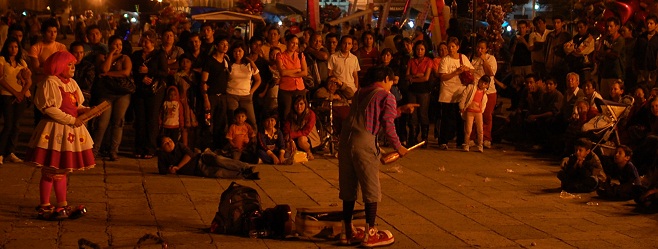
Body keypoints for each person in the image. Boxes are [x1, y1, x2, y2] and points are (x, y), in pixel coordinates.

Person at [338, 66, 418, 247]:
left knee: (348, 187)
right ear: (387, 79)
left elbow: (375, 115)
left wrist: (400, 110)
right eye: (391, 82)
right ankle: (370, 233)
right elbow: (387, 124)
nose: (391, 86)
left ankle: (347, 231)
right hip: (365, 143)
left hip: (345, 142)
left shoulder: (360, 93)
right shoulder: (386, 95)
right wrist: (399, 147)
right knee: (371, 188)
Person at [26, 51, 95, 220]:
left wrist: (87, 111)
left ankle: (62, 203)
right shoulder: (50, 82)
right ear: (60, 66)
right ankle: (44, 205)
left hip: (70, 130)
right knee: (50, 169)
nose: (73, 68)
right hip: (55, 130)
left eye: (73, 65)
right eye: (69, 65)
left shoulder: (71, 83)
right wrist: (71, 120)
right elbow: (49, 108)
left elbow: (77, 105)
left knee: (62, 170)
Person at [92, 35, 132, 161]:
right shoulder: (102, 57)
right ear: (109, 45)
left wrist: (107, 74)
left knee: (118, 122)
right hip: (106, 93)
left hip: (121, 94)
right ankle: (95, 150)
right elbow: (103, 68)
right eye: (115, 44)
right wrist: (110, 55)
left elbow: (125, 72)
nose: (118, 47)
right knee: (102, 123)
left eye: (120, 45)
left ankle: (113, 151)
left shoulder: (125, 58)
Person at [131, 31, 168, 159]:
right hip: (140, 90)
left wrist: (149, 72)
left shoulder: (159, 55)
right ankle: (139, 147)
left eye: (146, 41)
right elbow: (133, 71)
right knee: (140, 119)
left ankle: (150, 148)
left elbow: (164, 72)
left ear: (152, 42)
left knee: (151, 119)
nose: (143, 43)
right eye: (143, 40)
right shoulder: (136, 55)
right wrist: (141, 77)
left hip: (154, 91)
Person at [157, 136, 259, 179]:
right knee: (219, 172)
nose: (169, 143)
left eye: (169, 140)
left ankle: (245, 167)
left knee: (218, 160)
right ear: (161, 148)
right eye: (165, 143)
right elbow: (161, 170)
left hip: (201, 158)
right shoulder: (163, 156)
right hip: (198, 169)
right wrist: (170, 170)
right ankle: (244, 175)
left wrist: (178, 166)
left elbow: (189, 154)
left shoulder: (179, 145)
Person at [438, 37, 473, 149]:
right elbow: (443, 76)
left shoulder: (463, 57)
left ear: (458, 47)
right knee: (446, 118)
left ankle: (461, 140)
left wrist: (466, 69)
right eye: (449, 47)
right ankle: (443, 141)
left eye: (453, 46)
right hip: (447, 93)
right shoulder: (445, 60)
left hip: (460, 92)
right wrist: (456, 72)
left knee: (460, 118)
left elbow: (472, 69)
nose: (451, 49)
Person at [0, 38, 31, 164]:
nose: (13, 50)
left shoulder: (22, 62)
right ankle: (1, 152)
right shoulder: (2, 60)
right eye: (11, 47)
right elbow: (1, 80)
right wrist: (15, 93)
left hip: (20, 97)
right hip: (6, 95)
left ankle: (10, 152)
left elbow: (29, 81)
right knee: (8, 124)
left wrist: (21, 94)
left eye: (16, 47)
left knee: (16, 125)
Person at [469, 39, 498, 148]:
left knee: (486, 115)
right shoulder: (472, 58)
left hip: (489, 91)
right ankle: (472, 137)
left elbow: (490, 73)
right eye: (478, 47)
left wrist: (484, 61)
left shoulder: (491, 59)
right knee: (473, 114)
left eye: (482, 48)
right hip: (475, 91)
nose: (479, 50)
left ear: (486, 49)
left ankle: (486, 138)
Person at [227, 41, 261, 131]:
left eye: (239, 51)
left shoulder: (249, 64)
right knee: (233, 120)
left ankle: (253, 142)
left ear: (243, 52)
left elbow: (258, 80)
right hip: (231, 94)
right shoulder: (229, 64)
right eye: (235, 51)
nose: (237, 53)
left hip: (246, 96)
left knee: (252, 121)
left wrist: (251, 91)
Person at [405, 41, 433, 146]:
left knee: (423, 113)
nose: (419, 52)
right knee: (413, 113)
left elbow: (426, 77)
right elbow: (407, 75)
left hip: (424, 90)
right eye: (417, 49)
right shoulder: (411, 61)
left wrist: (413, 77)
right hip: (412, 90)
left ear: (425, 50)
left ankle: (424, 138)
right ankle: (412, 137)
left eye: (422, 49)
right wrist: (417, 75)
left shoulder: (429, 61)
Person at [276, 34, 308, 119]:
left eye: (296, 43)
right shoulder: (280, 55)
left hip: (300, 87)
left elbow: (305, 72)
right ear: (287, 43)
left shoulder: (300, 55)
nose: (294, 45)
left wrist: (289, 73)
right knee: (286, 113)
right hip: (286, 89)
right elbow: (282, 72)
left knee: (301, 112)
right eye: (292, 43)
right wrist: (297, 70)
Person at [173, 54, 199, 147]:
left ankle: (193, 146)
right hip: (183, 102)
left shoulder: (195, 75)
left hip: (194, 102)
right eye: (183, 62)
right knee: (184, 125)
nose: (185, 64)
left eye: (187, 61)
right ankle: (185, 147)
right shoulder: (177, 76)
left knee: (194, 126)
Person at [597, 17, 625, 99]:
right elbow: (599, 53)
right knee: (604, 97)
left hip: (615, 73)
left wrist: (606, 52)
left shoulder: (620, 40)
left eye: (611, 26)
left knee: (615, 97)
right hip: (605, 73)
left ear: (617, 27)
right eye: (607, 26)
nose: (609, 29)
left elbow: (614, 55)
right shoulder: (605, 39)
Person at [283, 95, 320, 160]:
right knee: (288, 143)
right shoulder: (291, 115)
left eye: (301, 104)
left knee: (301, 140)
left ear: (305, 104)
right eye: (296, 104)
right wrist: (291, 139)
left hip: (310, 140)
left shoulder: (310, 114)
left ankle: (309, 153)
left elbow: (306, 131)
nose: (299, 107)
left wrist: (291, 135)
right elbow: (286, 129)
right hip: (294, 138)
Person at [459, 75, 490, 152]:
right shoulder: (471, 88)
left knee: (480, 130)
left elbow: (484, 104)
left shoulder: (484, 93)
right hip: (470, 111)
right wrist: (462, 107)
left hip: (478, 112)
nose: (483, 85)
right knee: (468, 129)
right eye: (482, 82)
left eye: (485, 83)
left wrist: (481, 111)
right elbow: (464, 96)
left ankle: (480, 145)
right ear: (479, 81)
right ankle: (466, 144)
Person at [635, 14, 658, 87]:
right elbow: (636, 53)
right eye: (647, 23)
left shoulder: (657, 38)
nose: (648, 25)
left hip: (653, 71)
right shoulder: (641, 38)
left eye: (651, 23)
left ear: (656, 25)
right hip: (641, 70)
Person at [69, 41, 95, 105]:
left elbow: (87, 83)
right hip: (68, 92)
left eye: (81, 52)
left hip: (83, 93)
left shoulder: (88, 66)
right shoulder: (67, 65)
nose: (79, 55)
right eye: (76, 53)